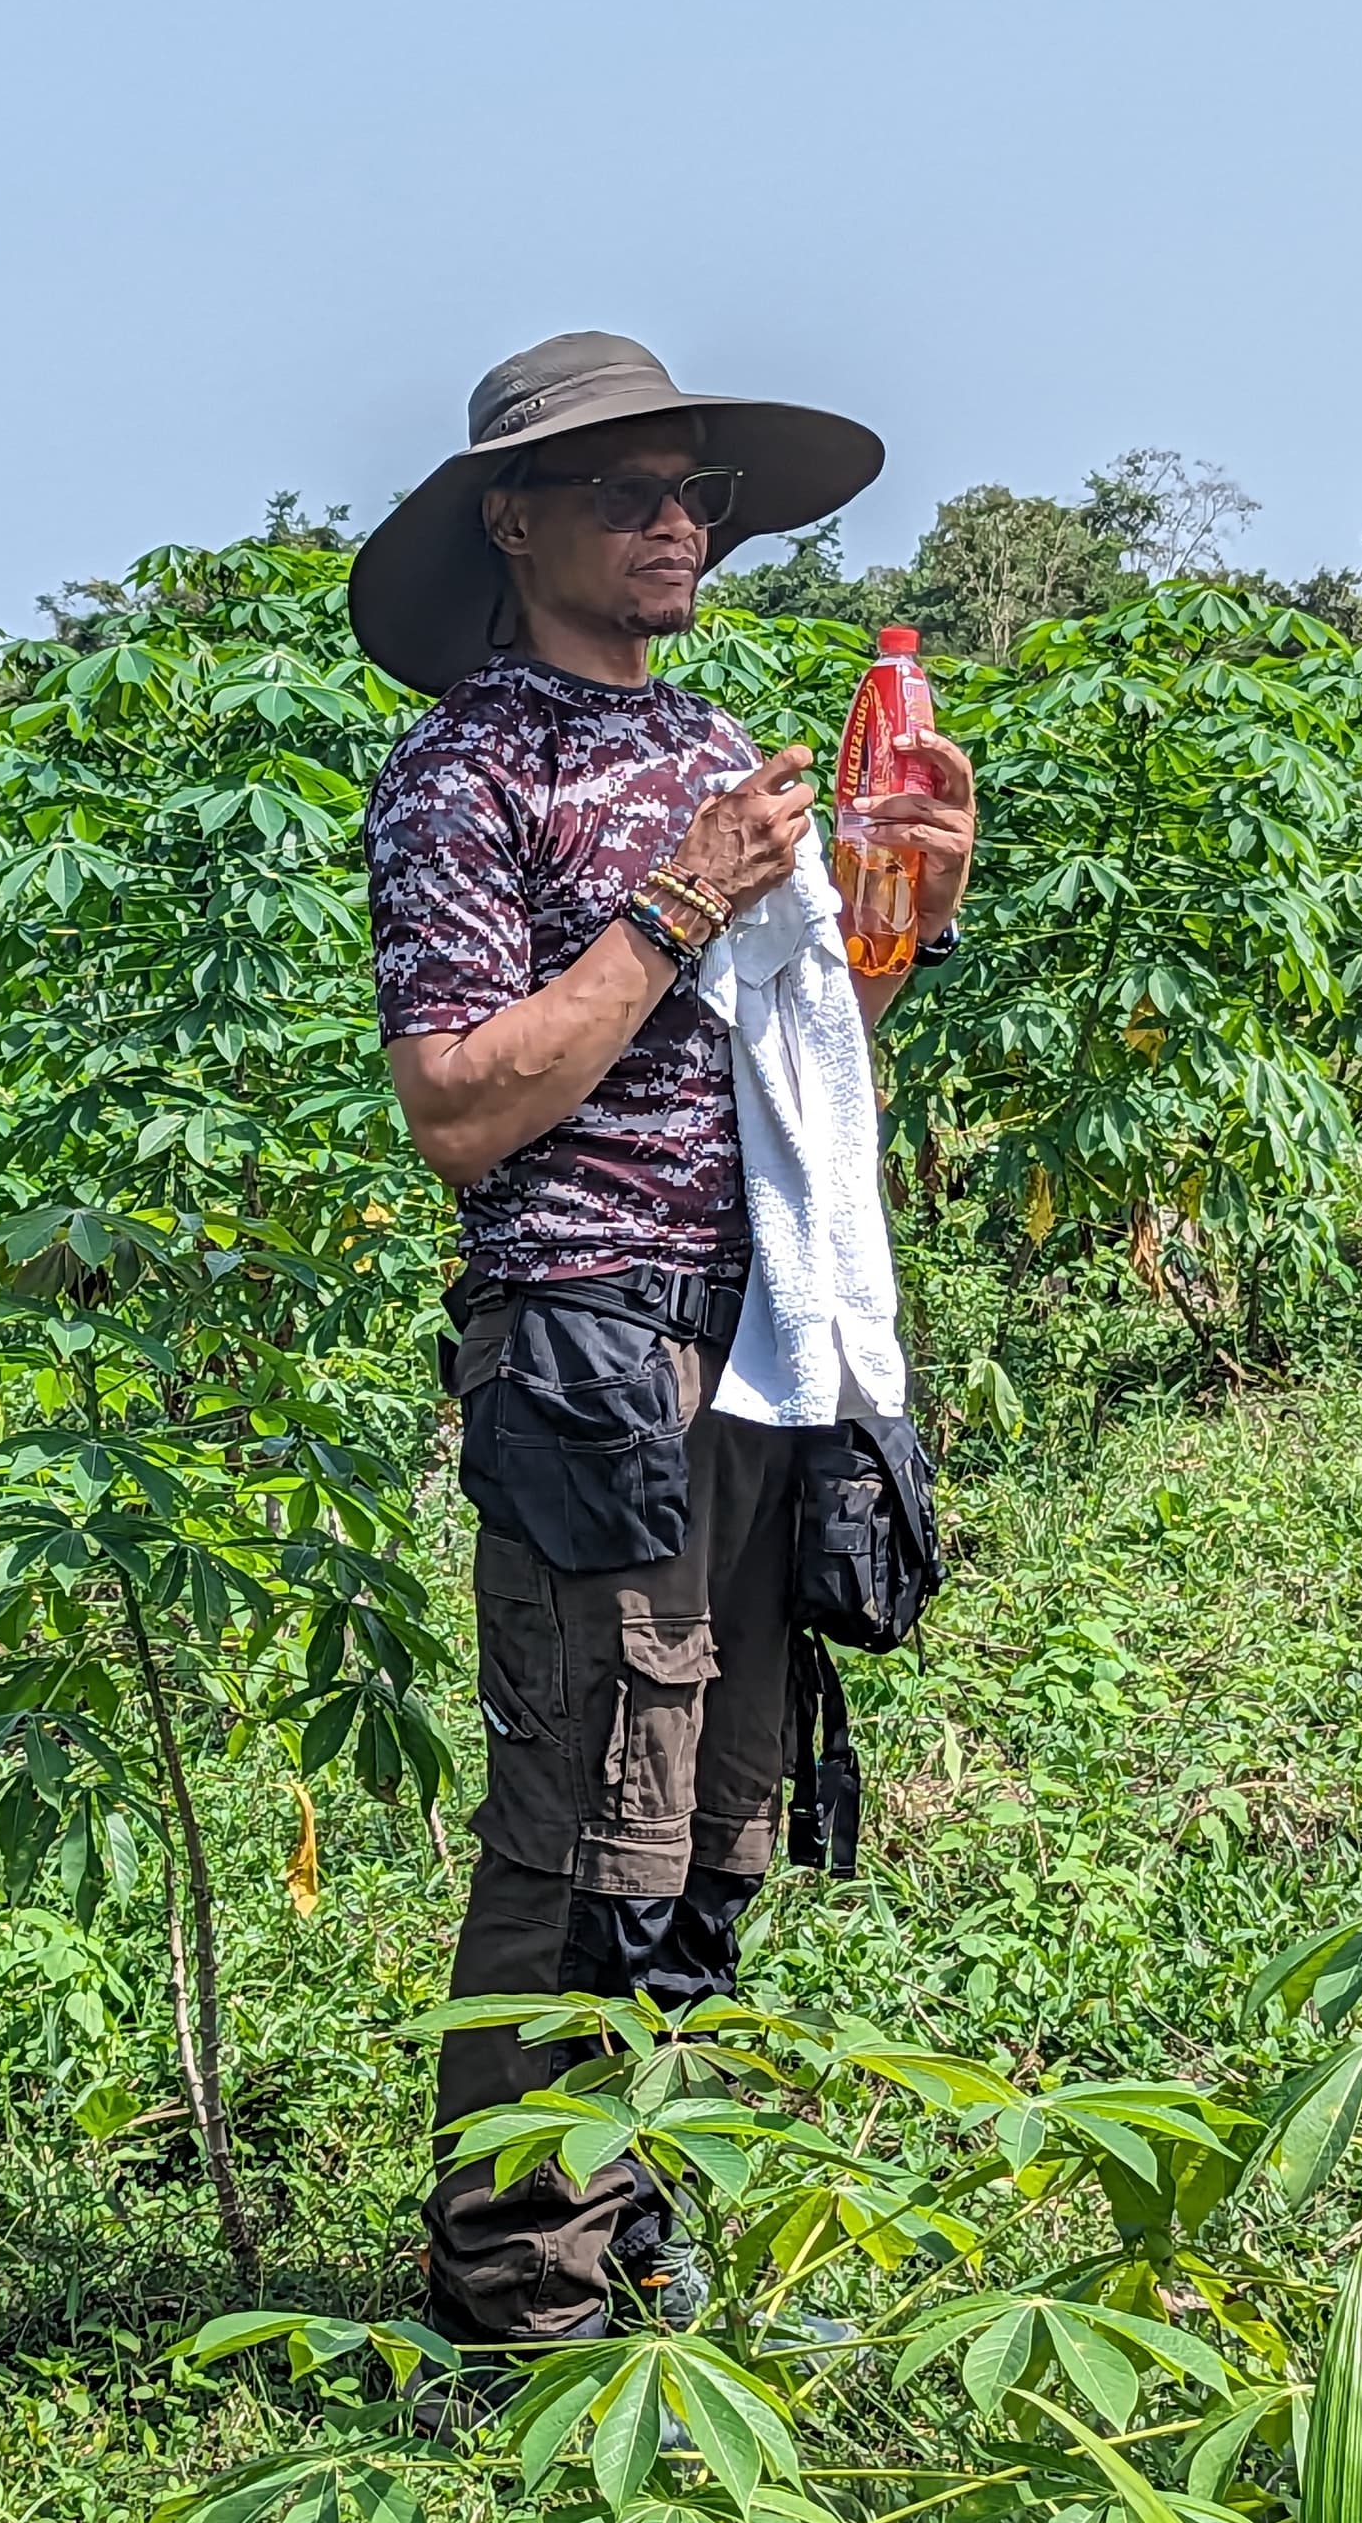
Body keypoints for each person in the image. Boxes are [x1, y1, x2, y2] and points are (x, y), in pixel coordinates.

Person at [348, 331, 977, 2350]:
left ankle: (631, 2240)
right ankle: (511, 2293)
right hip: (588, 1348)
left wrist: (898, 924)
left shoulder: (719, 746)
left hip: (767, 1340)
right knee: (585, 1818)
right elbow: (461, 1103)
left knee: (713, 1814)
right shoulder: (471, 768)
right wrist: (671, 906)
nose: (674, 515)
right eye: (623, 488)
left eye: (691, 484)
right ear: (511, 521)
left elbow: (803, 1069)